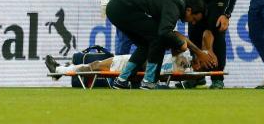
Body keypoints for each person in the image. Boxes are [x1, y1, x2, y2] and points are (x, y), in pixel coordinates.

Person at [106, 0, 216, 89]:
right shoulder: (175, 4)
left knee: (146, 43)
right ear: (189, 10)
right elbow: (164, 32)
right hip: (123, 8)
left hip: (116, 8)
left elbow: (165, 31)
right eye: (194, 19)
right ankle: (149, 82)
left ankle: (122, 80)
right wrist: (183, 45)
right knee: (158, 38)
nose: (193, 23)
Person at [45, 48, 195, 82]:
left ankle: (59, 70)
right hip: (137, 61)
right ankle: (61, 69)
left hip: (135, 64)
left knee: (94, 67)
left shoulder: (190, 72)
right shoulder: (186, 57)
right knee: (94, 66)